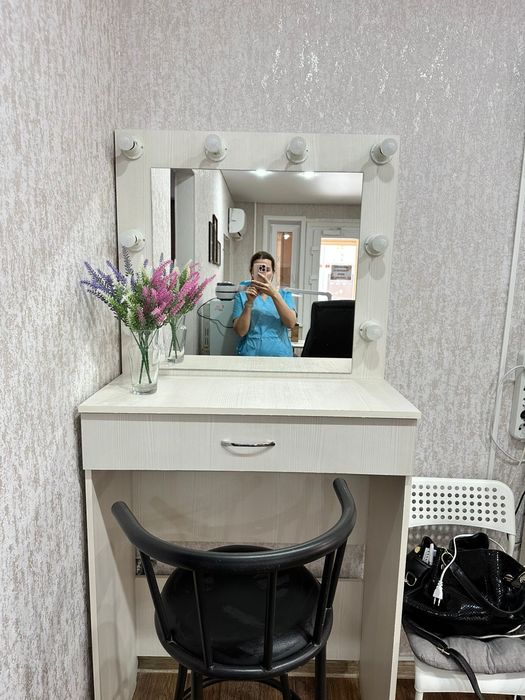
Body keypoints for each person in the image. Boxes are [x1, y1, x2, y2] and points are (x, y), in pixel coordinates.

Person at [232, 251, 296, 357]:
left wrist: (274, 295)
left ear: (273, 272)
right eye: (259, 269)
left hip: (280, 356)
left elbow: (291, 323)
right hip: (250, 355)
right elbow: (240, 332)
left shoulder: (284, 294)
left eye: (267, 270)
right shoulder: (242, 295)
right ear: (251, 272)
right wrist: (249, 303)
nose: (263, 274)